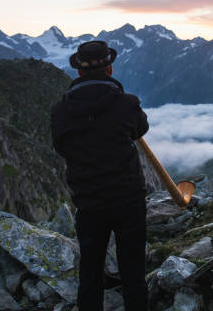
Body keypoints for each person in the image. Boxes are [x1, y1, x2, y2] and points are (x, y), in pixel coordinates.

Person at [51, 40, 149, 310]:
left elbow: (60, 146)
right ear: (110, 69)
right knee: (133, 272)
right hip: (129, 199)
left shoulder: (60, 112)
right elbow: (140, 129)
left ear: (78, 72)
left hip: (89, 202)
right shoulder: (128, 104)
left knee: (90, 271)